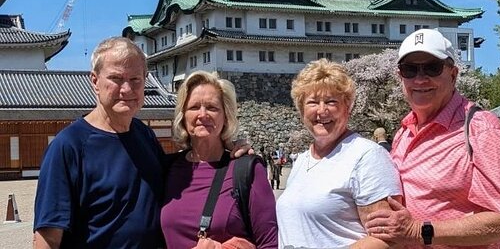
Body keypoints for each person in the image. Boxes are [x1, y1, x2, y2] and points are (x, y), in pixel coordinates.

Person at [366, 29, 500, 248]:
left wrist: (418, 230)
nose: (420, 79)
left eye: (432, 67)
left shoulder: (482, 129)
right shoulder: (403, 132)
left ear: (453, 74)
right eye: (409, 70)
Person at [33, 37, 165, 248]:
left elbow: (184, 172)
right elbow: (48, 237)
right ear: (95, 81)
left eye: (135, 80)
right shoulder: (69, 146)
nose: (127, 89)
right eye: (116, 79)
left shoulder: (145, 135)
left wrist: (229, 151)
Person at [276, 59, 402, 249]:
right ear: (301, 111)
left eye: (331, 101)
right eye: (312, 102)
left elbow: (387, 239)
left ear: (347, 108)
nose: (322, 110)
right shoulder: (303, 160)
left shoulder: (367, 156)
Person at [161, 71, 278, 249]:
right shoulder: (167, 168)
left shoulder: (246, 169)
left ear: (225, 116)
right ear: (183, 116)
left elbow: (270, 243)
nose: (203, 114)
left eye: (212, 107)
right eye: (194, 107)